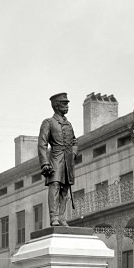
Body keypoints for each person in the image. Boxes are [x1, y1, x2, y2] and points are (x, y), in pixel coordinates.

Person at [37, 92, 79, 227]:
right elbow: (42, 144)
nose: (67, 106)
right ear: (56, 105)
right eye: (64, 103)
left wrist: (73, 153)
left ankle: (61, 216)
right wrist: (44, 163)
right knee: (55, 186)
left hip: (68, 160)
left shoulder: (69, 124)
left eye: (67, 103)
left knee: (65, 189)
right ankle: (53, 217)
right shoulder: (48, 122)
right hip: (55, 158)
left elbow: (74, 141)